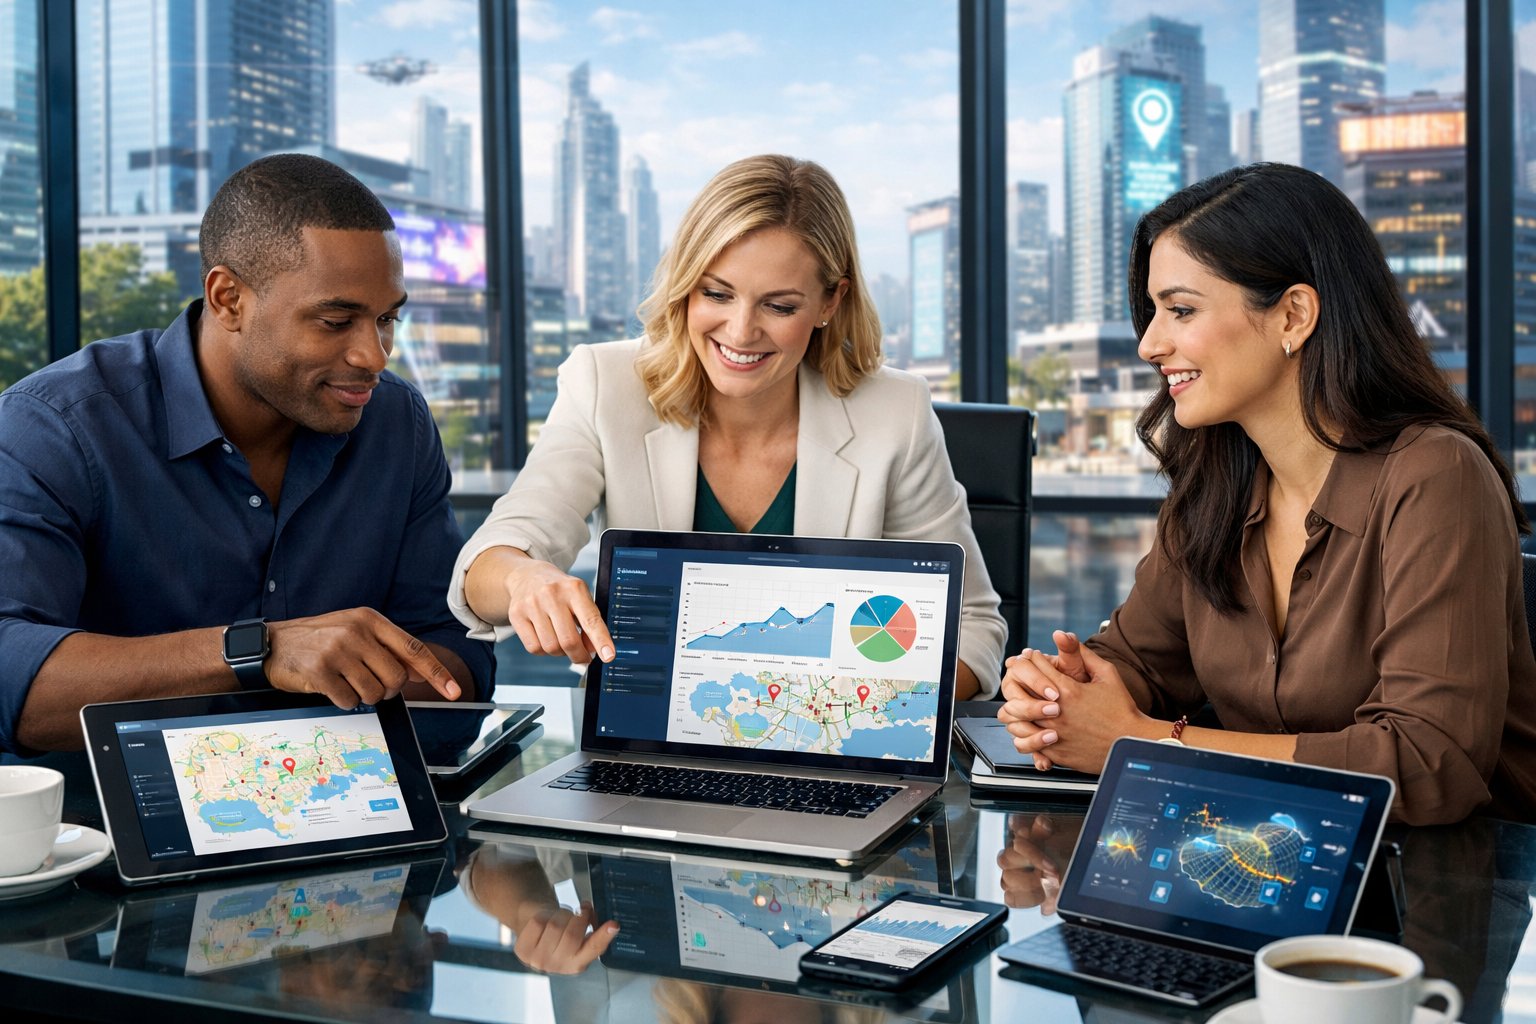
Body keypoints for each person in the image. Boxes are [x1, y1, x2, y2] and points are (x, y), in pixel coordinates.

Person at [998, 162, 1536, 825]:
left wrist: (1142, 742)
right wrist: (1061, 695)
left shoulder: (1436, 477)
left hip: (1452, 891)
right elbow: (1137, 662)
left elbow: (1430, 765)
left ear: (1294, 314)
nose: (1148, 344)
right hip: (1266, 864)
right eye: (1153, 312)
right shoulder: (1213, 487)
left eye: (1181, 310)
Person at [451, 154, 1005, 698]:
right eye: (716, 294)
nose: (740, 332)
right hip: (642, 737)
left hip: (829, 740)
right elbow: (488, 567)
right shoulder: (605, 383)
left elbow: (974, 628)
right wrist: (525, 578)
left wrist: (855, 702)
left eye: (780, 307)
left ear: (831, 301)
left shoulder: (895, 410)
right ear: (685, 284)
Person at [0, 153, 493, 755]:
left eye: (388, 318)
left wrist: (375, 669)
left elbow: (454, 662)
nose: (375, 354)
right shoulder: (55, 427)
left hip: (343, 819)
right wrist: (261, 651)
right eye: (337, 321)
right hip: (108, 833)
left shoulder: (397, 423)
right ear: (228, 298)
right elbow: (10, 680)